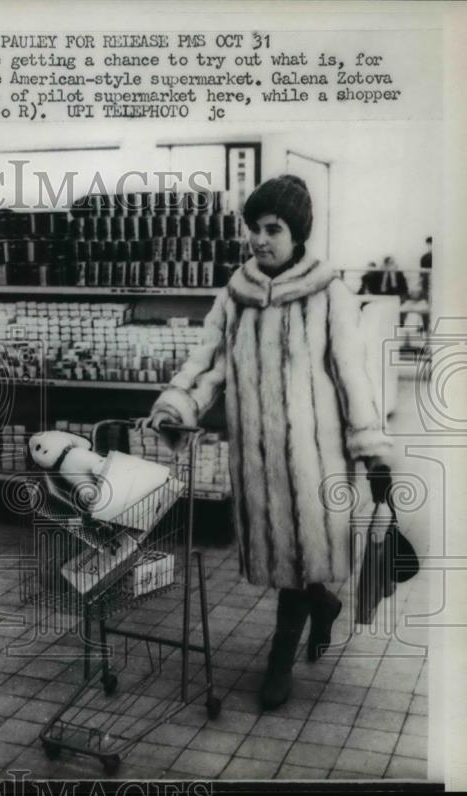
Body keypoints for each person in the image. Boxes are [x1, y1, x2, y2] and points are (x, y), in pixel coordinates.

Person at [148, 175, 392, 710]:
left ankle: (278, 663)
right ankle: (323, 604)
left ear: (297, 232)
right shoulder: (234, 296)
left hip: (316, 457)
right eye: (253, 229)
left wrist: (370, 446)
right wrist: (178, 403)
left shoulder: (330, 294)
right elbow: (209, 363)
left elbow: (352, 373)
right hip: (257, 459)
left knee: (302, 555)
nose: (260, 239)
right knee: (291, 560)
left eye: (272, 228)